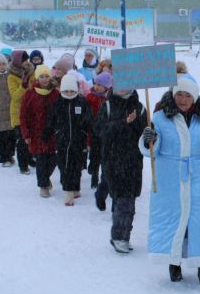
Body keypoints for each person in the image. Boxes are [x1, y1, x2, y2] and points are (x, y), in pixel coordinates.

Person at [139, 77, 200, 288]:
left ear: (195, 97)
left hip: (198, 176)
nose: (183, 99)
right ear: (173, 94)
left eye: (188, 95)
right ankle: (174, 262)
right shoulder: (159, 118)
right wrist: (149, 139)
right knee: (173, 221)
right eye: (179, 94)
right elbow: (152, 151)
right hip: (170, 177)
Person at [95, 86, 146, 253]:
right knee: (124, 200)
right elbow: (101, 131)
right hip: (114, 160)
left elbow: (145, 133)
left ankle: (121, 235)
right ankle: (120, 237)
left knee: (126, 200)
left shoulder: (139, 107)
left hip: (134, 161)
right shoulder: (108, 106)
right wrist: (124, 123)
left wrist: (149, 134)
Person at [44, 74, 93, 206]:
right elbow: (51, 120)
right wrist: (48, 133)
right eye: (66, 91)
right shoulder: (57, 103)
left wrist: (86, 130)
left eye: (72, 91)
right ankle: (68, 192)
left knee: (77, 166)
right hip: (62, 141)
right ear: (62, 90)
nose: (69, 94)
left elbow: (89, 119)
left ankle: (75, 187)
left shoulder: (82, 102)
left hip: (78, 140)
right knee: (64, 166)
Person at [20, 64, 59, 197]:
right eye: (41, 76)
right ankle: (43, 185)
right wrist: (26, 133)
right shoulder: (30, 93)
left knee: (53, 159)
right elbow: (23, 115)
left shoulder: (55, 93)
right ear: (37, 78)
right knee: (41, 160)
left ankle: (46, 178)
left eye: (46, 76)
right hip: (36, 133)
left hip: (52, 133)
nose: (44, 79)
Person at [8, 50, 35, 174]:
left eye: (27, 60)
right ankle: (23, 165)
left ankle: (30, 158)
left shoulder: (31, 72)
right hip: (18, 112)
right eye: (24, 60)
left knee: (31, 137)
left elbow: (35, 87)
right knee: (23, 140)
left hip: (31, 110)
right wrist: (23, 86)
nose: (26, 63)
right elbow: (15, 95)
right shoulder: (12, 76)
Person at [86, 72, 112, 190]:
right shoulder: (90, 97)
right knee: (95, 156)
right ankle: (94, 176)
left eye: (99, 85)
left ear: (106, 87)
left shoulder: (110, 99)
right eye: (95, 83)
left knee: (105, 157)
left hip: (106, 133)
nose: (96, 86)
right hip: (94, 132)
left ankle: (104, 178)